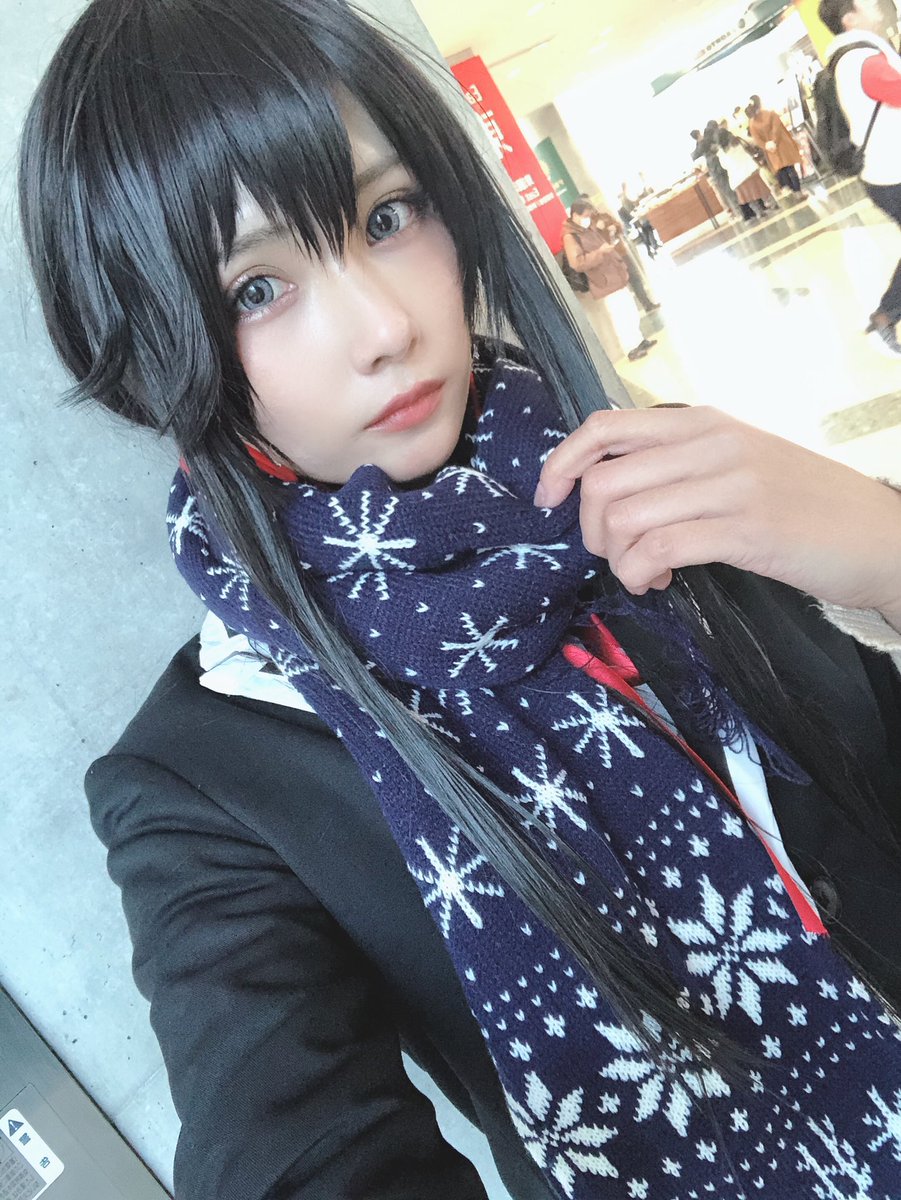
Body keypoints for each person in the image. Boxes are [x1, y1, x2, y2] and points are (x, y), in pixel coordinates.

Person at [17, 1, 901, 1197]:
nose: (384, 327)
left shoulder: (648, 482)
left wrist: (884, 550)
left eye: (388, 217)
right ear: (153, 355)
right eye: (257, 289)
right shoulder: (206, 784)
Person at [819, 0, 901, 356]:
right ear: (850, 19)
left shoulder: (852, 57)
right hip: (892, 173)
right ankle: (886, 315)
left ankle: (886, 315)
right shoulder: (861, 60)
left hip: (885, 172)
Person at [563, 200, 657, 361]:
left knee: (629, 310)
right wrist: (600, 252)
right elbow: (577, 263)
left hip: (614, 273)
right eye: (585, 216)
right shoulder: (570, 236)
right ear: (575, 215)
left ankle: (639, 340)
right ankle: (631, 348)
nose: (588, 219)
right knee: (620, 315)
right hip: (602, 280)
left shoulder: (588, 228)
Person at [572, 196, 661, 315]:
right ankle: (629, 313)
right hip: (608, 260)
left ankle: (647, 304)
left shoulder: (604, 216)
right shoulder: (585, 226)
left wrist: (615, 227)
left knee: (635, 277)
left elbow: (620, 227)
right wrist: (597, 229)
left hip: (621, 252)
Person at [747, 95, 809, 199]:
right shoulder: (771, 114)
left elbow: (757, 140)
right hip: (782, 145)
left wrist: (766, 145)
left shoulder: (752, 123)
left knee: (782, 171)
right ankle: (798, 192)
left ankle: (790, 192)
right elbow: (777, 129)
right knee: (791, 169)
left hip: (771, 151)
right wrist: (774, 141)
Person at [717, 126, 776, 218]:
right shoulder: (737, 140)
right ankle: (773, 204)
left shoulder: (721, 153)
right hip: (750, 170)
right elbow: (752, 142)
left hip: (737, 177)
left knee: (748, 197)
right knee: (762, 189)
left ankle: (759, 212)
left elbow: (724, 166)